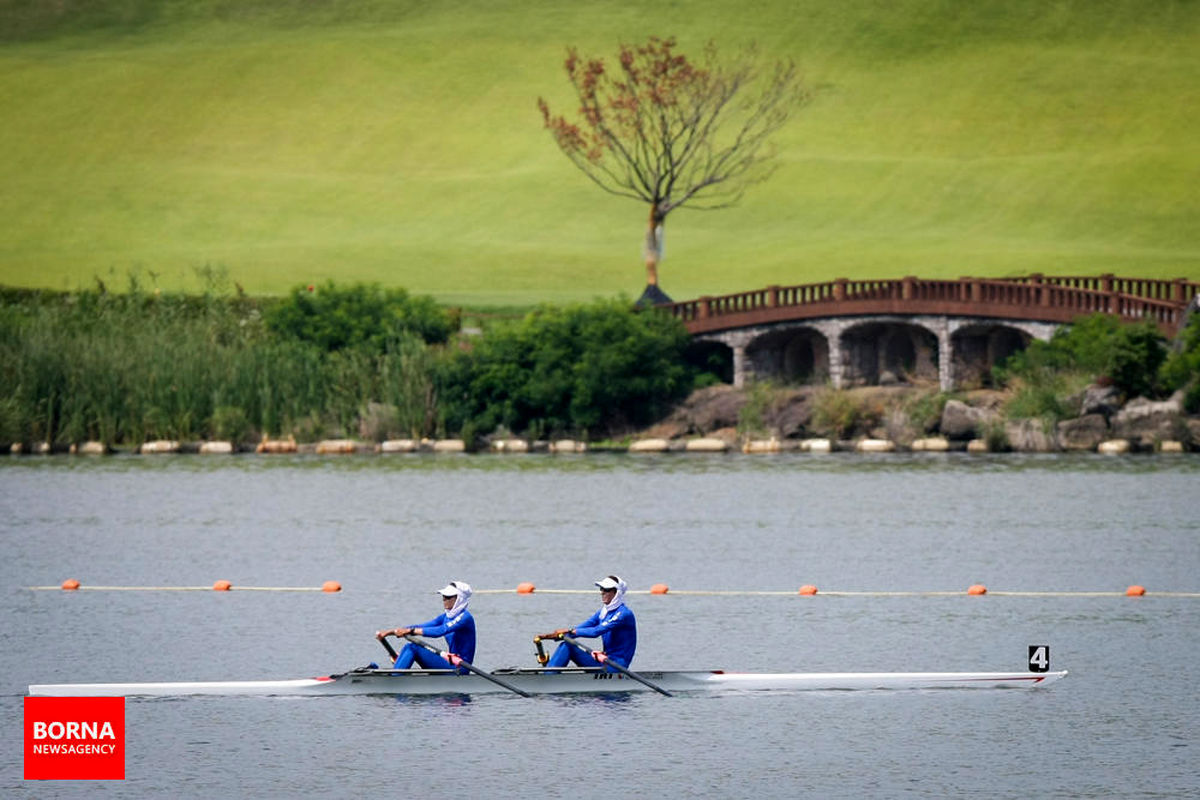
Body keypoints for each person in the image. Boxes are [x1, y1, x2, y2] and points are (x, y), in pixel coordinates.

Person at [376, 580, 476, 673]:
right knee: (409, 647)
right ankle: (398, 668)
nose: (444, 599)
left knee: (412, 647)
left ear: (459, 599)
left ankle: (395, 679)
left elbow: (440, 631)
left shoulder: (465, 618)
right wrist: (390, 632)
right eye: (443, 596)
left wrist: (411, 631)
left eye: (448, 597)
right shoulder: (445, 617)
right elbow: (421, 626)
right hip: (450, 661)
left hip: (461, 667)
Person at [543, 575, 637, 671]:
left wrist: (570, 631)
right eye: (601, 589)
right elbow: (581, 628)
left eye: (607, 589)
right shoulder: (602, 613)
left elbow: (596, 632)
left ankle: (548, 678)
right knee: (566, 643)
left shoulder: (623, 614)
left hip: (617, 666)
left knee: (568, 646)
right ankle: (548, 674)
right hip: (605, 660)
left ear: (616, 592)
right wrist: (555, 636)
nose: (602, 592)